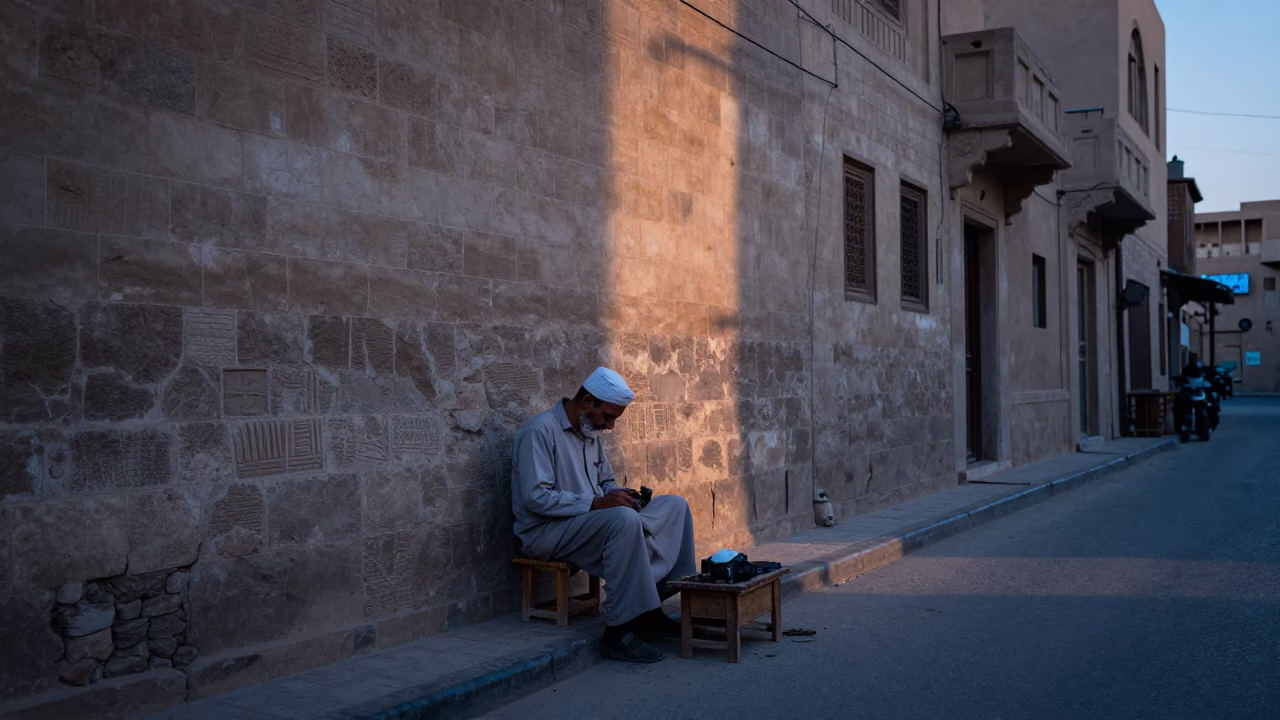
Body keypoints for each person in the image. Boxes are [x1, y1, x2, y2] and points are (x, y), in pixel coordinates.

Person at [511, 367, 696, 663]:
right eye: (608, 417)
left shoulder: (590, 433)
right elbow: (537, 498)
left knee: (675, 506)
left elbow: (606, 482)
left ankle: (649, 610)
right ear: (588, 402)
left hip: (590, 521)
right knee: (623, 521)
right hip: (546, 530)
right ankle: (618, 632)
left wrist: (621, 496)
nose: (610, 426)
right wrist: (597, 503)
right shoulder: (540, 431)